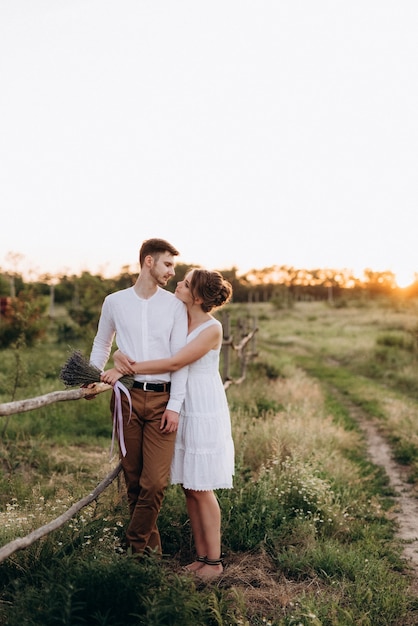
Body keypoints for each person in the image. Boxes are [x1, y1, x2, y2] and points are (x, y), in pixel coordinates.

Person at [101, 268, 234, 581]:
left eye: (185, 283)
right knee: (190, 485)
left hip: (201, 403)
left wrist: (126, 369)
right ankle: (201, 558)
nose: (178, 283)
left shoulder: (211, 328)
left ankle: (214, 563)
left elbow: (175, 363)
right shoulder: (181, 317)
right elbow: (153, 344)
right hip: (179, 402)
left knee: (202, 487)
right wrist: (120, 352)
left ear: (198, 296)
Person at [89, 238, 188, 557]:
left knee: (155, 482)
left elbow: (179, 359)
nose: (173, 272)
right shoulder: (114, 301)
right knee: (134, 480)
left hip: (162, 401)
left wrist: (174, 406)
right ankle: (149, 551)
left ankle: (133, 547)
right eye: (168, 265)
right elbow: (103, 344)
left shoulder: (175, 306)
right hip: (125, 399)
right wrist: (92, 377)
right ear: (148, 262)